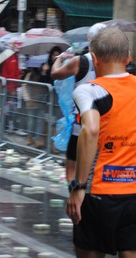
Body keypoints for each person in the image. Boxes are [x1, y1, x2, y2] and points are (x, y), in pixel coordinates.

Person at [66, 26, 136, 258]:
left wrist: (78, 187)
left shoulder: (88, 90)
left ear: (94, 59)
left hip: (98, 196)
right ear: (128, 58)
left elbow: (91, 129)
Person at [50, 22, 106, 181]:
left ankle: (76, 198)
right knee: (99, 167)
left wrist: (60, 58)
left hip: (81, 123)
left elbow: (55, 74)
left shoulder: (81, 61)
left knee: (72, 168)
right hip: (106, 122)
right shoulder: (114, 63)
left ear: (89, 39)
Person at [22, 65, 49, 148]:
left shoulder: (44, 74)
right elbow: (24, 86)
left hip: (41, 101)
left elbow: (46, 83)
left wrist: (44, 72)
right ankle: (29, 137)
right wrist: (26, 97)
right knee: (31, 121)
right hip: (31, 101)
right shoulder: (30, 74)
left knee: (40, 121)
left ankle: (38, 139)